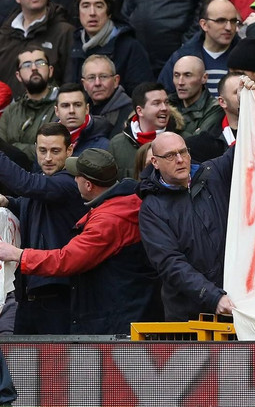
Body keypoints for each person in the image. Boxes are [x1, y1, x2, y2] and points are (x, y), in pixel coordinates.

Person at [0, 147, 161, 334]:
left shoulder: (109, 219)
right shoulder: (122, 202)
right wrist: (11, 202)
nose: (73, 179)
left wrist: (17, 254)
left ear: (88, 185)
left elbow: (67, 260)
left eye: (76, 176)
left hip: (117, 321)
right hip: (123, 312)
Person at [138, 130, 237, 321]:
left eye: (183, 152)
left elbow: (245, 148)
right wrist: (213, 297)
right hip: (189, 317)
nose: (180, 159)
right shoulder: (152, 209)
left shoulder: (213, 174)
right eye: (170, 155)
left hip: (234, 303)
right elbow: (170, 263)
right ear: (155, 163)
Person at [0, 123, 89, 334]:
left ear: (70, 150)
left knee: (56, 366)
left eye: (55, 151)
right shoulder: (43, 182)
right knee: (21, 366)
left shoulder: (70, 183)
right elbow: (29, 201)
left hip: (57, 296)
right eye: (42, 150)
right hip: (28, 295)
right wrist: (8, 201)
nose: (48, 158)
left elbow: (28, 186)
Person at [67, 0, 154, 87]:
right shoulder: (74, 45)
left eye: (99, 6)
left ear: (109, 13)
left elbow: (141, 93)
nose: (92, 13)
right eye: (86, 6)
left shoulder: (130, 47)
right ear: (78, 12)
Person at [0, 0, 72, 98]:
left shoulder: (64, 32)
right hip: (7, 115)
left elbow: (70, 82)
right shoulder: (4, 35)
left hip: (50, 114)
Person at [157, 0, 242, 97]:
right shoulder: (183, 56)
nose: (229, 27)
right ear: (204, 24)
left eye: (233, 21)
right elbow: (163, 96)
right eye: (220, 21)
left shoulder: (246, 56)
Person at [0, 47, 60, 163]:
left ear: (50, 70)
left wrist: (14, 146)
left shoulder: (63, 105)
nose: (34, 68)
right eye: (27, 65)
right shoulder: (10, 111)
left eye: (40, 63)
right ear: (18, 75)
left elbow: (54, 150)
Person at [111, 82, 178, 179]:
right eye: (156, 103)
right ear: (140, 111)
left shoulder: (182, 140)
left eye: (166, 102)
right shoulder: (117, 145)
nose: (164, 108)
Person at [81, 54, 134, 130]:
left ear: (116, 81)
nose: (97, 83)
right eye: (91, 78)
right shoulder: (79, 114)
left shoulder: (131, 115)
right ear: (84, 84)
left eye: (103, 76)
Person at [55, 83, 111, 153]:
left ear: (87, 109)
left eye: (77, 105)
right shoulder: (46, 140)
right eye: (65, 106)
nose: (71, 111)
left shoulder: (104, 147)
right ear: (56, 111)